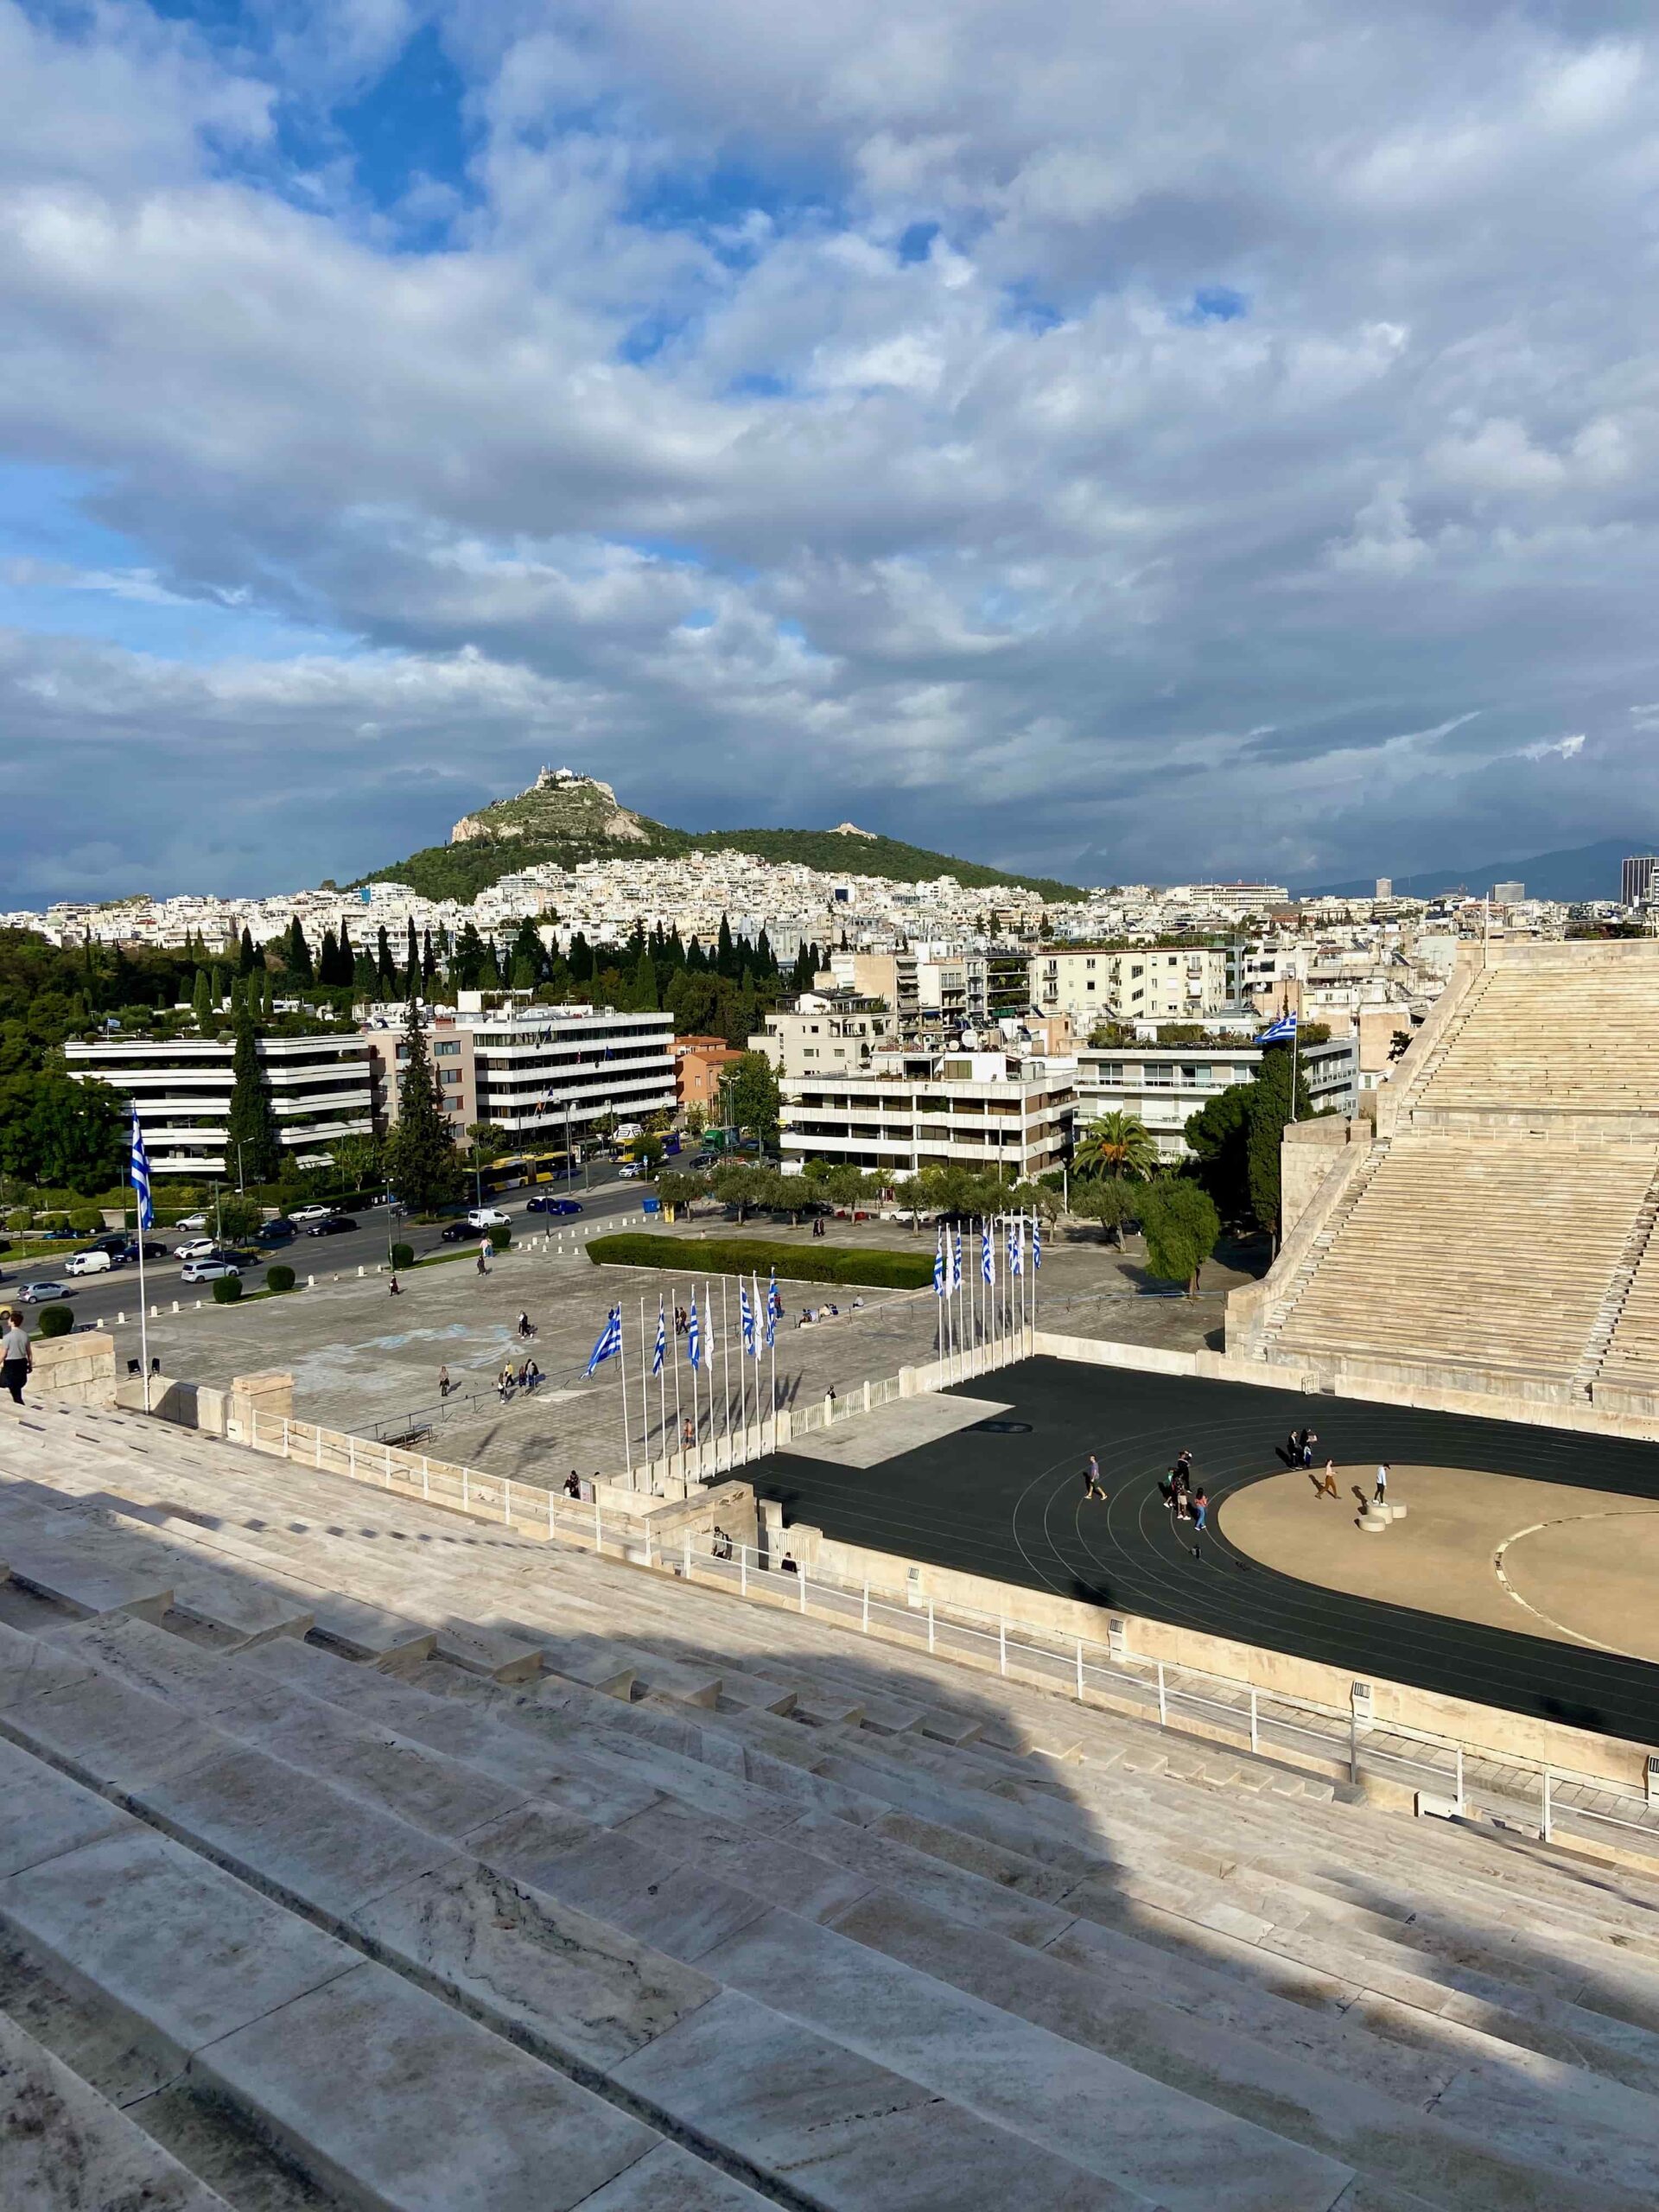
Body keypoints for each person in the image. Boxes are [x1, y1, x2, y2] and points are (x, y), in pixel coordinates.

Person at [1, 1310, 30, 1408]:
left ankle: (21, 1407)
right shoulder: (25, 1335)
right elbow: (29, 1352)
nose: (8, 1320)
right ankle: (21, 1406)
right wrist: (30, 1364)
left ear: (13, 1322)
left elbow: (3, 1354)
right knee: (16, 1390)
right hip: (22, 1363)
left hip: (11, 1366)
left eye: (9, 1319)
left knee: (13, 1389)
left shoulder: (7, 1337)